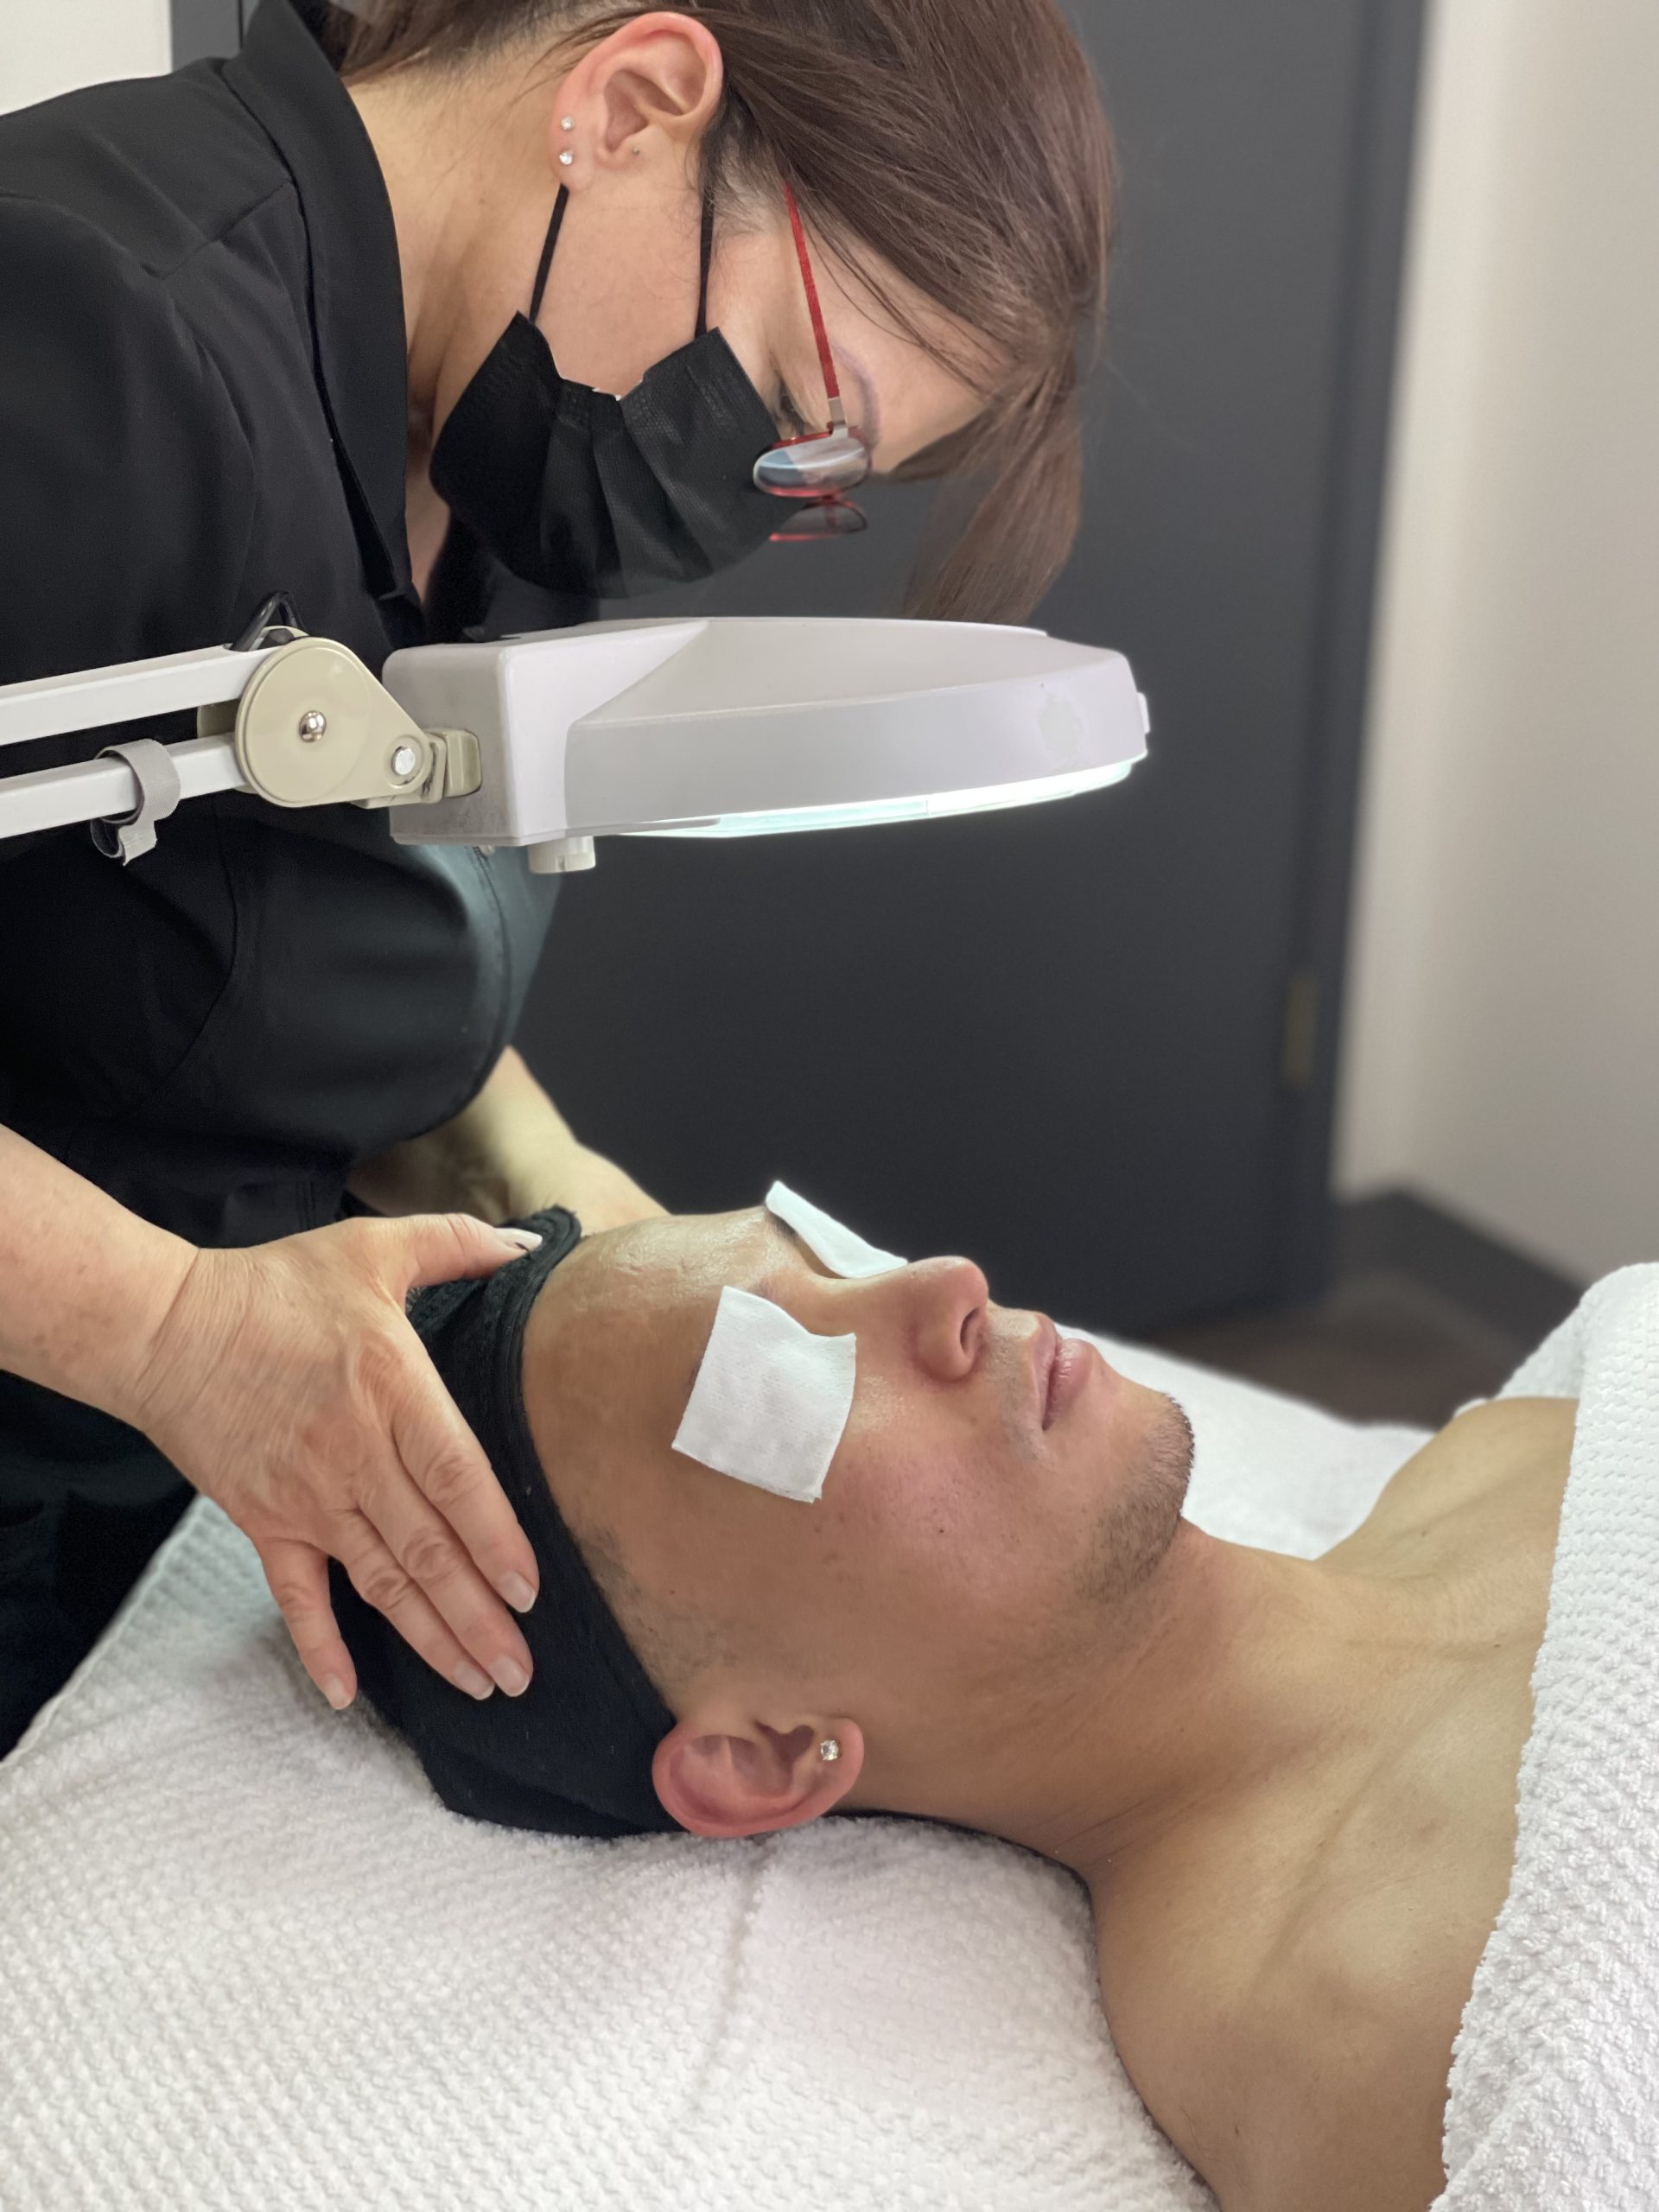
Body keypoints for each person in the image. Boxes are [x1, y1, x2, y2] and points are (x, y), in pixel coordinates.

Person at [0, 0, 1116, 1753]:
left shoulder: (512, 469)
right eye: (804, 417)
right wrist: (164, 1328)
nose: (758, 506)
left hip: (146, 1552)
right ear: (634, 101)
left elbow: (258, 947)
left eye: (830, 491)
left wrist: (555, 1186)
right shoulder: (85, 320)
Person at [338, 1202, 1573, 2212]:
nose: (947, 1283)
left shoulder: (1513, 1448)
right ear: (766, 1756)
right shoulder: (1395, 2054)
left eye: (835, 1256)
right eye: (783, 1382)